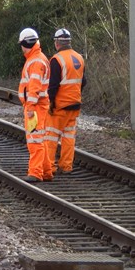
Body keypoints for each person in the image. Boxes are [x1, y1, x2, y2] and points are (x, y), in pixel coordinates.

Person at [45, 28, 86, 175]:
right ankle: (66, 166)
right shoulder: (79, 58)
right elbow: (83, 81)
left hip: (60, 106)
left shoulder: (57, 60)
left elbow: (53, 85)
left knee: (51, 136)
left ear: (57, 43)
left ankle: (50, 167)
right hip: (75, 104)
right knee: (69, 136)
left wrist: (50, 103)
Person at [18, 27, 52, 182]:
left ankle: (35, 173)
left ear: (26, 43)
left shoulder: (36, 61)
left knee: (34, 141)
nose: (21, 48)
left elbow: (34, 86)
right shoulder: (36, 58)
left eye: (22, 45)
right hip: (37, 106)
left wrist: (30, 107)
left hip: (35, 108)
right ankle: (46, 172)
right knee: (39, 140)